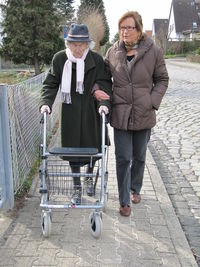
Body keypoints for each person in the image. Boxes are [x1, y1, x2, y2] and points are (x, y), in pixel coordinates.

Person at [95, 11, 169, 216]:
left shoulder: (153, 51)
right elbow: (103, 79)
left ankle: (135, 188)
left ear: (138, 29)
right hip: (121, 113)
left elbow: (162, 79)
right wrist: (98, 92)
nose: (125, 32)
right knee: (122, 158)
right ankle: (124, 200)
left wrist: (152, 101)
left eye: (129, 28)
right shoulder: (112, 52)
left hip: (144, 113)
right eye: (122, 28)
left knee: (139, 156)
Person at [40, 23, 112, 205]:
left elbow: (104, 84)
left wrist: (103, 104)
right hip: (70, 111)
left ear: (88, 44)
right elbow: (50, 83)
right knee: (72, 150)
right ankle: (76, 187)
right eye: (74, 44)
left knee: (93, 147)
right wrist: (45, 104)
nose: (78, 48)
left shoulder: (96, 60)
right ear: (68, 44)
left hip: (91, 111)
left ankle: (89, 176)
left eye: (82, 44)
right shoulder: (59, 59)